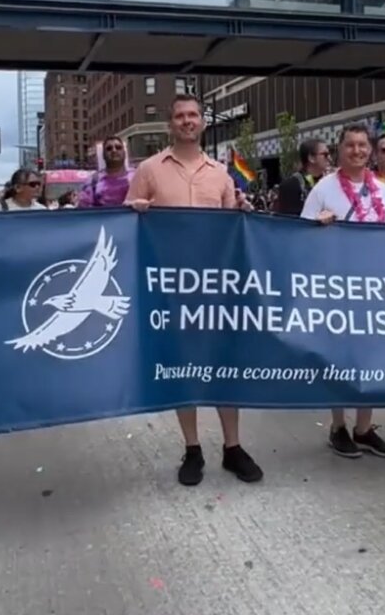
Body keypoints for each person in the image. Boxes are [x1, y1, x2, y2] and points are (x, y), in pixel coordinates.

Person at [126, 93, 262, 487]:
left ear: (202, 122)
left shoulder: (221, 173)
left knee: (224, 365)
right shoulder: (149, 170)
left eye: (193, 115)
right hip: (170, 289)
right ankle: (192, 448)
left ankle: (233, 447)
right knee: (182, 368)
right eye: (180, 116)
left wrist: (243, 213)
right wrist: (134, 210)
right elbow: (124, 221)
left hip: (214, 287)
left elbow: (231, 228)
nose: (187, 121)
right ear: (171, 124)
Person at [300, 124, 385, 458]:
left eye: (363, 145)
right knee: (341, 359)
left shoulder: (382, 189)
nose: (357, 151)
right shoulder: (323, 189)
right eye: (350, 145)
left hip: (375, 286)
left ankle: (364, 428)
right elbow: (300, 237)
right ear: (340, 150)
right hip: (338, 287)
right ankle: (338, 426)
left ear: (371, 150)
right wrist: (316, 225)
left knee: (373, 358)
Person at [274, 138, 329, 215]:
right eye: (325, 155)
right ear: (311, 158)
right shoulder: (291, 185)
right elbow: (290, 221)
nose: (329, 158)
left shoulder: (330, 182)